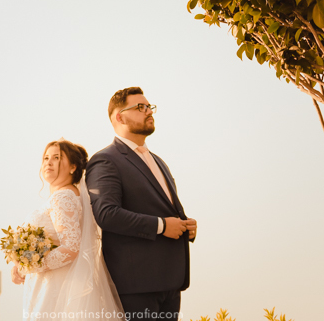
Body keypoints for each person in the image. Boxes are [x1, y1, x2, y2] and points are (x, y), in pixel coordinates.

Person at [85, 88, 196, 321]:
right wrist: (162, 226)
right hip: (136, 284)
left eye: (149, 107)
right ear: (119, 117)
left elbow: (163, 209)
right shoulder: (105, 160)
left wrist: (185, 226)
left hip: (171, 280)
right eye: (140, 107)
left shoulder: (159, 161)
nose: (148, 112)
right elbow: (106, 214)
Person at [12, 139, 124, 321]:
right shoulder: (69, 195)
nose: (49, 162)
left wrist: (29, 266)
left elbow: (71, 248)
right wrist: (21, 261)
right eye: (46, 157)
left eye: (57, 158)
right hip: (56, 283)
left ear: (73, 167)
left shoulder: (63, 197)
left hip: (57, 289)